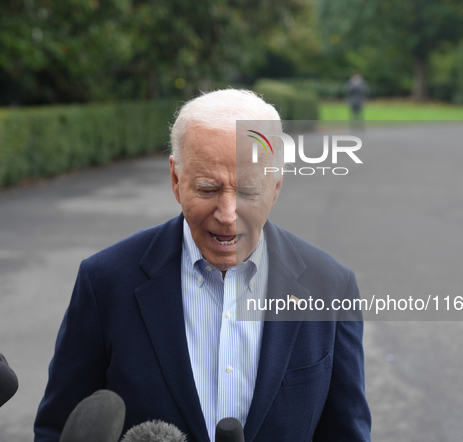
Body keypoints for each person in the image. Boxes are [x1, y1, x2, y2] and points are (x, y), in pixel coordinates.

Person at [34, 89, 371, 442]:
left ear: (276, 186)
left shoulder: (331, 287)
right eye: (208, 189)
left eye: (248, 192)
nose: (227, 215)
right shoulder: (105, 282)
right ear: (176, 180)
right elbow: (57, 431)